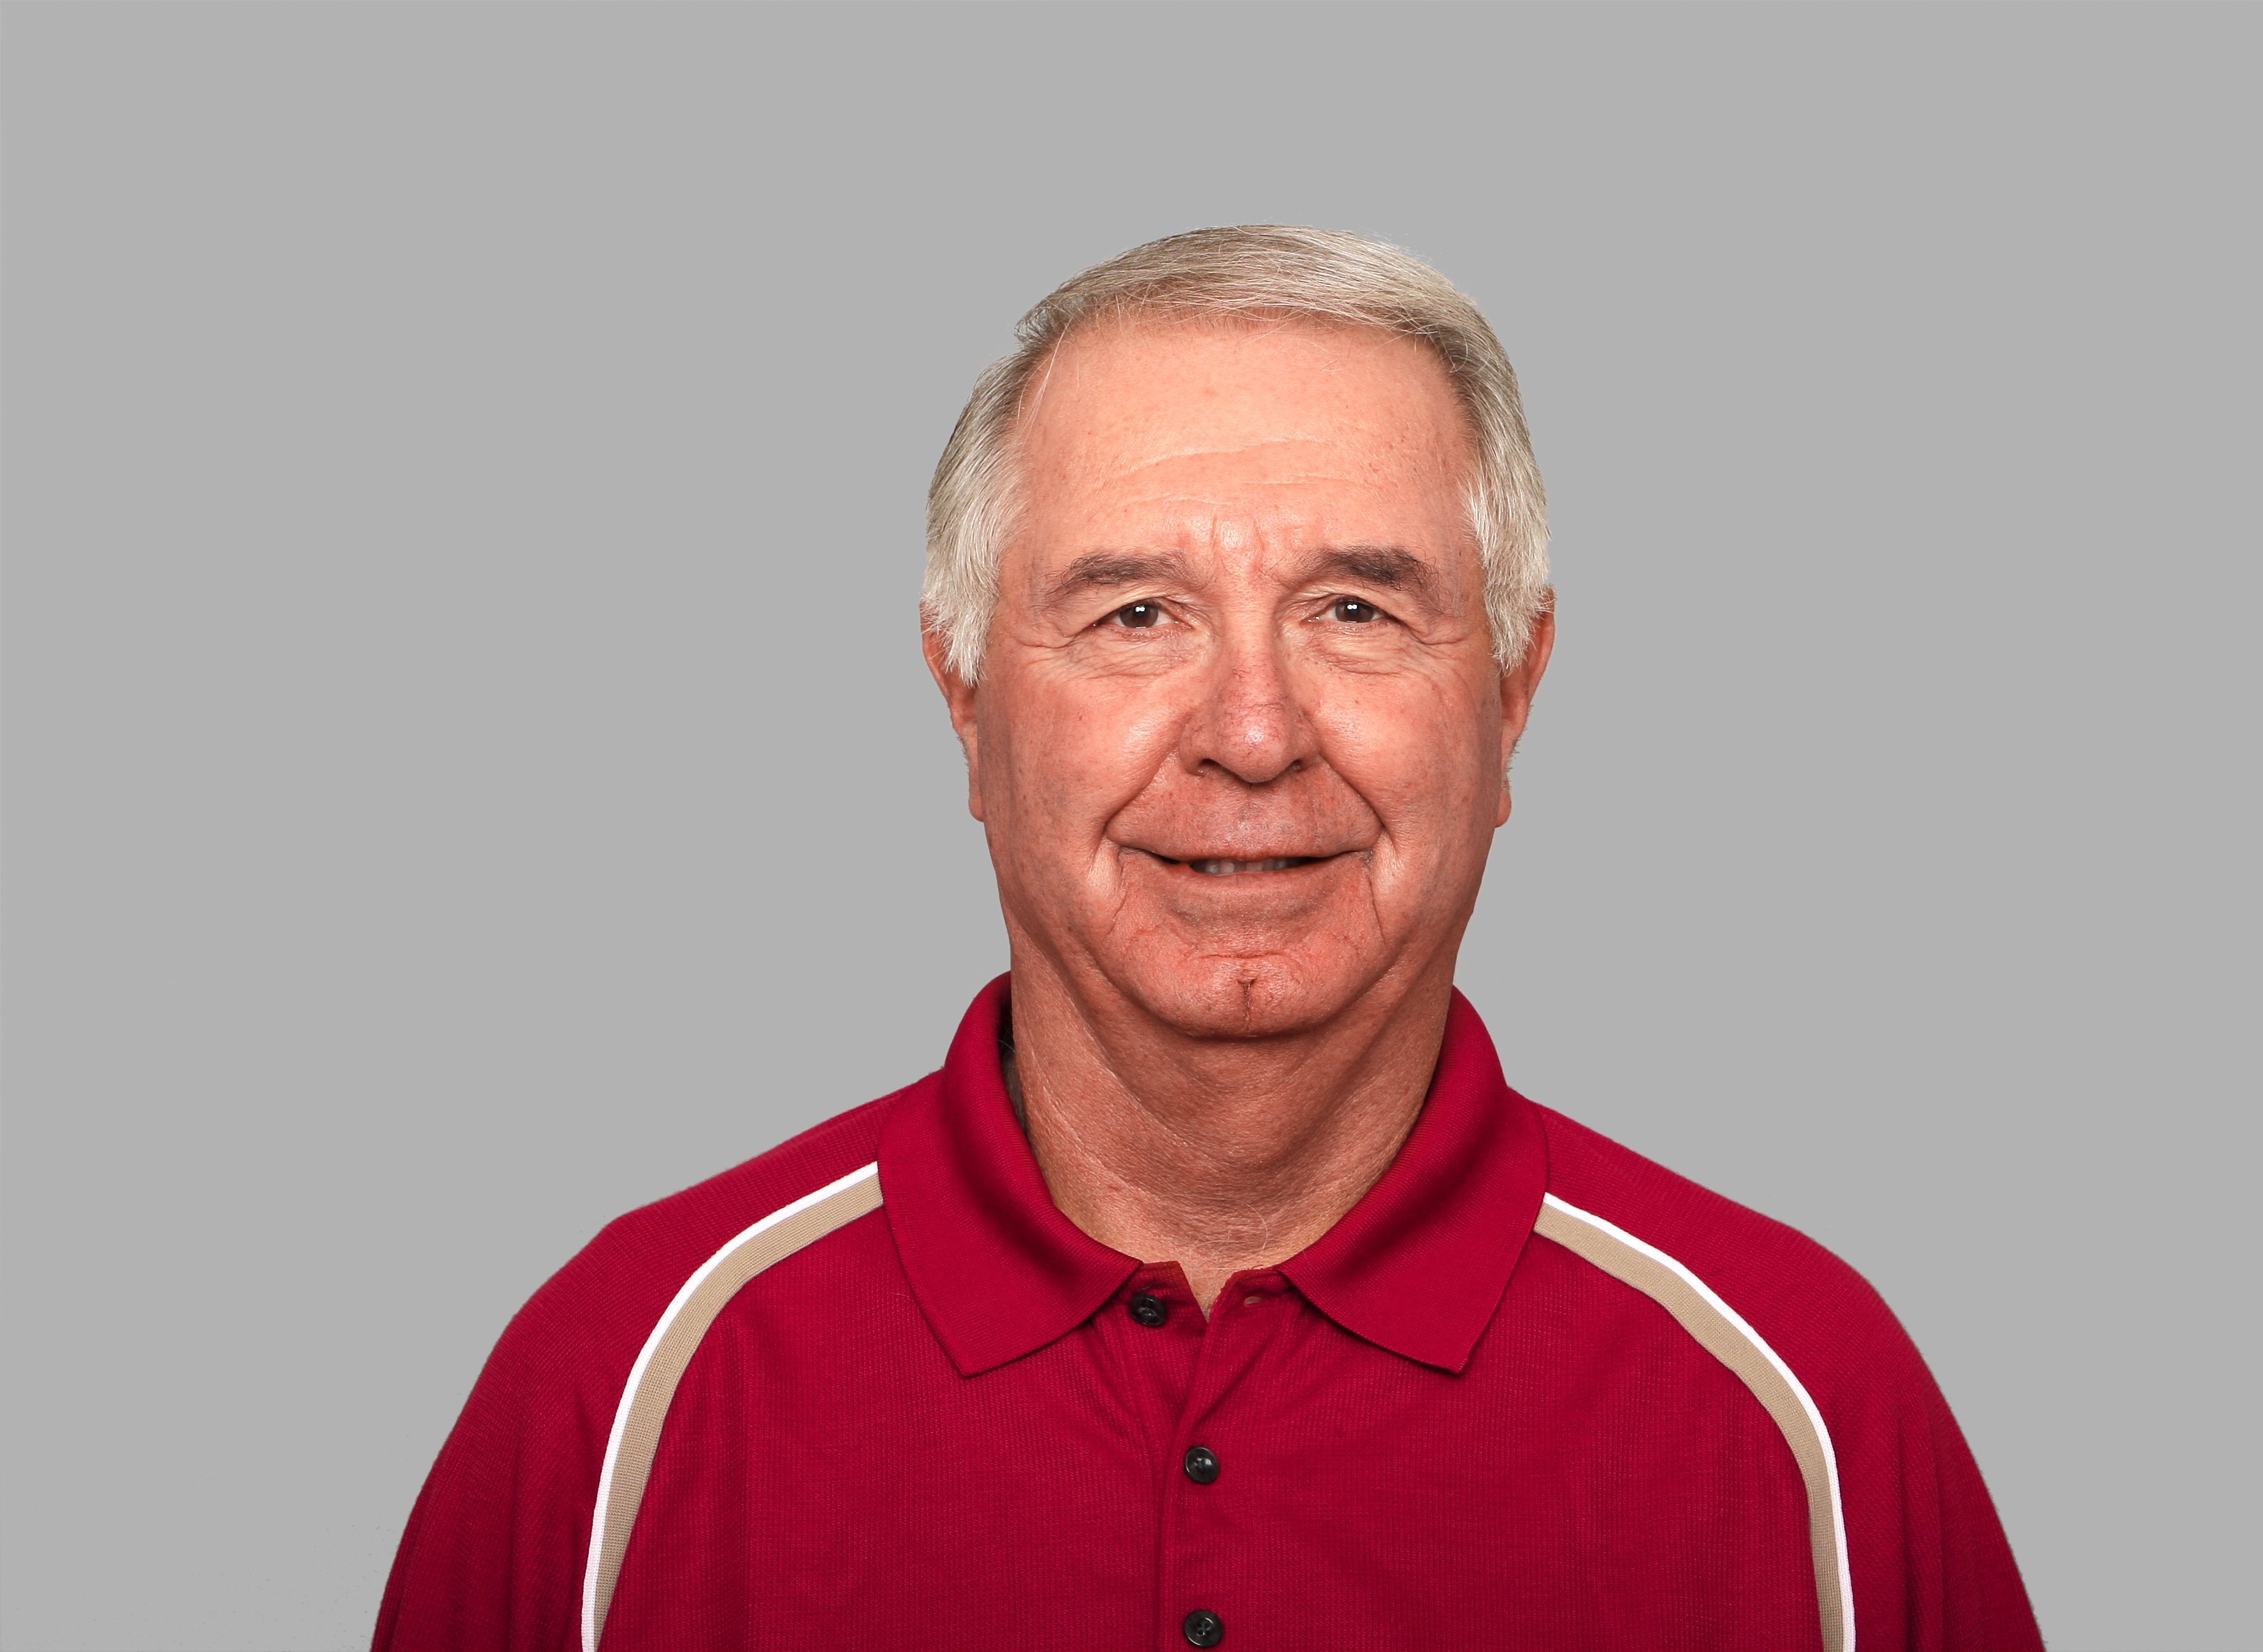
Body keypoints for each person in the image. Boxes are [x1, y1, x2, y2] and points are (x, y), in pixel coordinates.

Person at [375, 226, 2041, 1652]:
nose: (1253, 732)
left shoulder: (1806, 1408)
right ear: (966, 699)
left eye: (1356, 610)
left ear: (1513, 694)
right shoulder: (623, 1386)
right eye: (1136, 614)